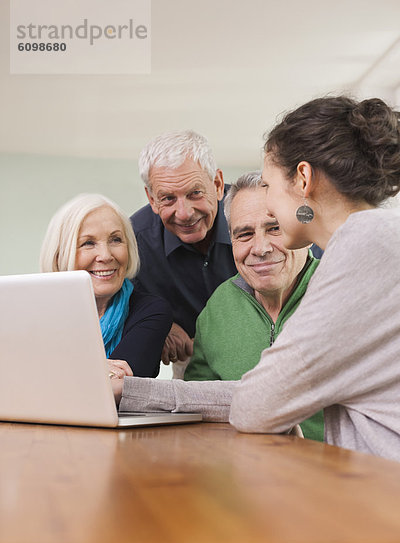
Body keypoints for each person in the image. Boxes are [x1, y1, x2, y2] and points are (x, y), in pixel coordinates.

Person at [113, 96, 400, 461]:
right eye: (243, 234)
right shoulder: (376, 239)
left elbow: (257, 404)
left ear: (303, 179)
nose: (266, 199)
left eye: (267, 184)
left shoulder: (362, 250)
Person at [184, 171, 323, 441]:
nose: (260, 248)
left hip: (337, 474)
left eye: (274, 228)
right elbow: (196, 406)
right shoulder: (218, 307)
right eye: (244, 234)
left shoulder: (343, 292)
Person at [130, 130, 237, 370]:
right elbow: (117, 301)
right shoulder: (133, 243)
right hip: (191, 362)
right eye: (168, 198)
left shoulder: (259, 213)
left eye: (195, 193)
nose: (185, 213)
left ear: (217, 185)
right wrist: (159, 321)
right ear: (151, 199)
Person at [40, 193, 172, 378]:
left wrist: (50, 367)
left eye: (116, 240)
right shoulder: (36, 313)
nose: (106, 255)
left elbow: (118, 385)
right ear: (60, 254)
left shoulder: (151, 311)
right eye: (88, 243)